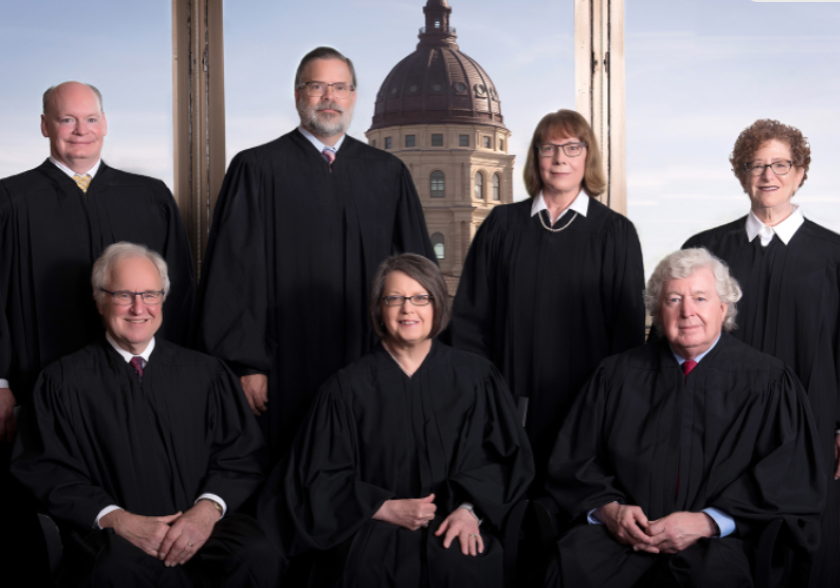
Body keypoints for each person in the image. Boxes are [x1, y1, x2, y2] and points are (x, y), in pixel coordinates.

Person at [196, 46, 435, 460]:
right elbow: (233, 275)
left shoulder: (387, 173)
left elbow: (416, 274)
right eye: (317, 86)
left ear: (353, 97)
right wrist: (246, 365)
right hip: (283, 362)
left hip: (369, 355)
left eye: (340, 87)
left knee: (367, 460)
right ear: (297, 94)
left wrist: (410, 353)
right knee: (287, 463)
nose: (329, 97)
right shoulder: (256, 168)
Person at [0, 81, 194, 585]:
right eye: (67, 119)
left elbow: (178, 293)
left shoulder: (149, 196)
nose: (80, 130)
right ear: (45, 126)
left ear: (105, 124)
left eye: (90, 119)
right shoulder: (11, 199)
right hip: (42, 385)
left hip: (137, 380)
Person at [543, 248, 825, 587]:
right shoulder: (615, 376)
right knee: (569, 569)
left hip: (719, 542)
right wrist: (609, 510)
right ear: (657, 310)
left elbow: (788, 478)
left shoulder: (768, 381)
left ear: (723, 308)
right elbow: (575, 460)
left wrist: (709, 522)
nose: (687, 311)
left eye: (700, 298)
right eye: (673, 299)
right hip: (623, 537)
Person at [11, 243, 280, 587]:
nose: (139, 308)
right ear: (100, 300)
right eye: (123, 295)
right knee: (112, 573)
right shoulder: (62, 382)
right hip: (114, 538)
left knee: (257, 555)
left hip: (200, 530)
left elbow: (242, 455)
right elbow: (45, 468)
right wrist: (117, 520)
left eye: (150, 295)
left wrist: (206, 511)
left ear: (163, 299)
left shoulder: (206, 374)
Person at [259, 254, 533, 587]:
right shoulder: (346, 388)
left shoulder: (477, 378)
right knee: (363, 571)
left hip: (454, 523)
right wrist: (382, 508)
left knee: (463, 566)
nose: (408, 309)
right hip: (369, 527)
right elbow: (316, 479)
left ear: (438, 305)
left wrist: (470, 509)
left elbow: (506, 460)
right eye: (394, 298)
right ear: (379, 309)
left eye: (420, 298)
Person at [447, 109, 645, 489]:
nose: (559, 159)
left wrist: (605, 408)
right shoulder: (502, 227)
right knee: (507, 502)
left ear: (587, 156)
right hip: (506, 402)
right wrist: (487, 396)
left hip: (584, 406)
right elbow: (471, 318)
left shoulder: (615, 233)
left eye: (572, 147)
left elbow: (627, 336)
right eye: (549, 148)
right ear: (536, 157)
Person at [683, 119, 840, 586]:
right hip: (721, 420)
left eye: (781, 165)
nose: (768, 175)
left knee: (807, 549)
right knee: (723, 546)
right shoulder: (706, 250)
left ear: (800, 172)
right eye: (756, 165)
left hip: (814, 418)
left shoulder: (834, 254)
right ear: (741, 174)